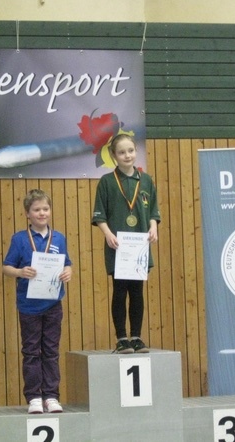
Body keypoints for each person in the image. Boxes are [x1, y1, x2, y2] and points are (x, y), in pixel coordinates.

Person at [2, 189, 72, 414]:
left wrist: (68, 272)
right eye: (37, 210)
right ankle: (33, 397)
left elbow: (67, 263)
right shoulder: (19, 239)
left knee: (51, 351)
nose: (42, 213)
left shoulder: (59, 238)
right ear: (27, 214)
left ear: (50, 211)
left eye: (45, 209)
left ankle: (51, 396)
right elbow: (6, 267)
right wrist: (20, 272)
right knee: (31, 351)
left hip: (53, 304)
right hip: (29, 306)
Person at [92, 134, 160, 354]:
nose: (127, 155)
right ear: (114, 155)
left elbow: (153, 211)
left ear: (136, 151)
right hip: (118, 246)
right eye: (121, 152)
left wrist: (153, 227)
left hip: (139, 246)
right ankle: (122, 338)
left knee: (137, 291)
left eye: (130, 151)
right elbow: (99, 215)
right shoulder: (107, 181)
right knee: (120, 291)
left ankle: (136, 337)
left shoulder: (146, 180)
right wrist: (107, 234)